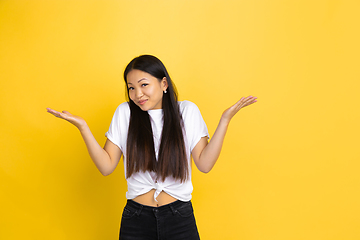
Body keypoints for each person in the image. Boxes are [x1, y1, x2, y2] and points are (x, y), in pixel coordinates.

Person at [47, 54, 257, 240]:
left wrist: (225, 120)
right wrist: (83, 127)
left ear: (164, 84)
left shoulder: (187, 111)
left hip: (179, 218)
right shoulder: (125, 113)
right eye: (131, 88)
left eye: (144, 84)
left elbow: (205, 163)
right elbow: (106, 166)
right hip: (136, 219)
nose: (137, 94)